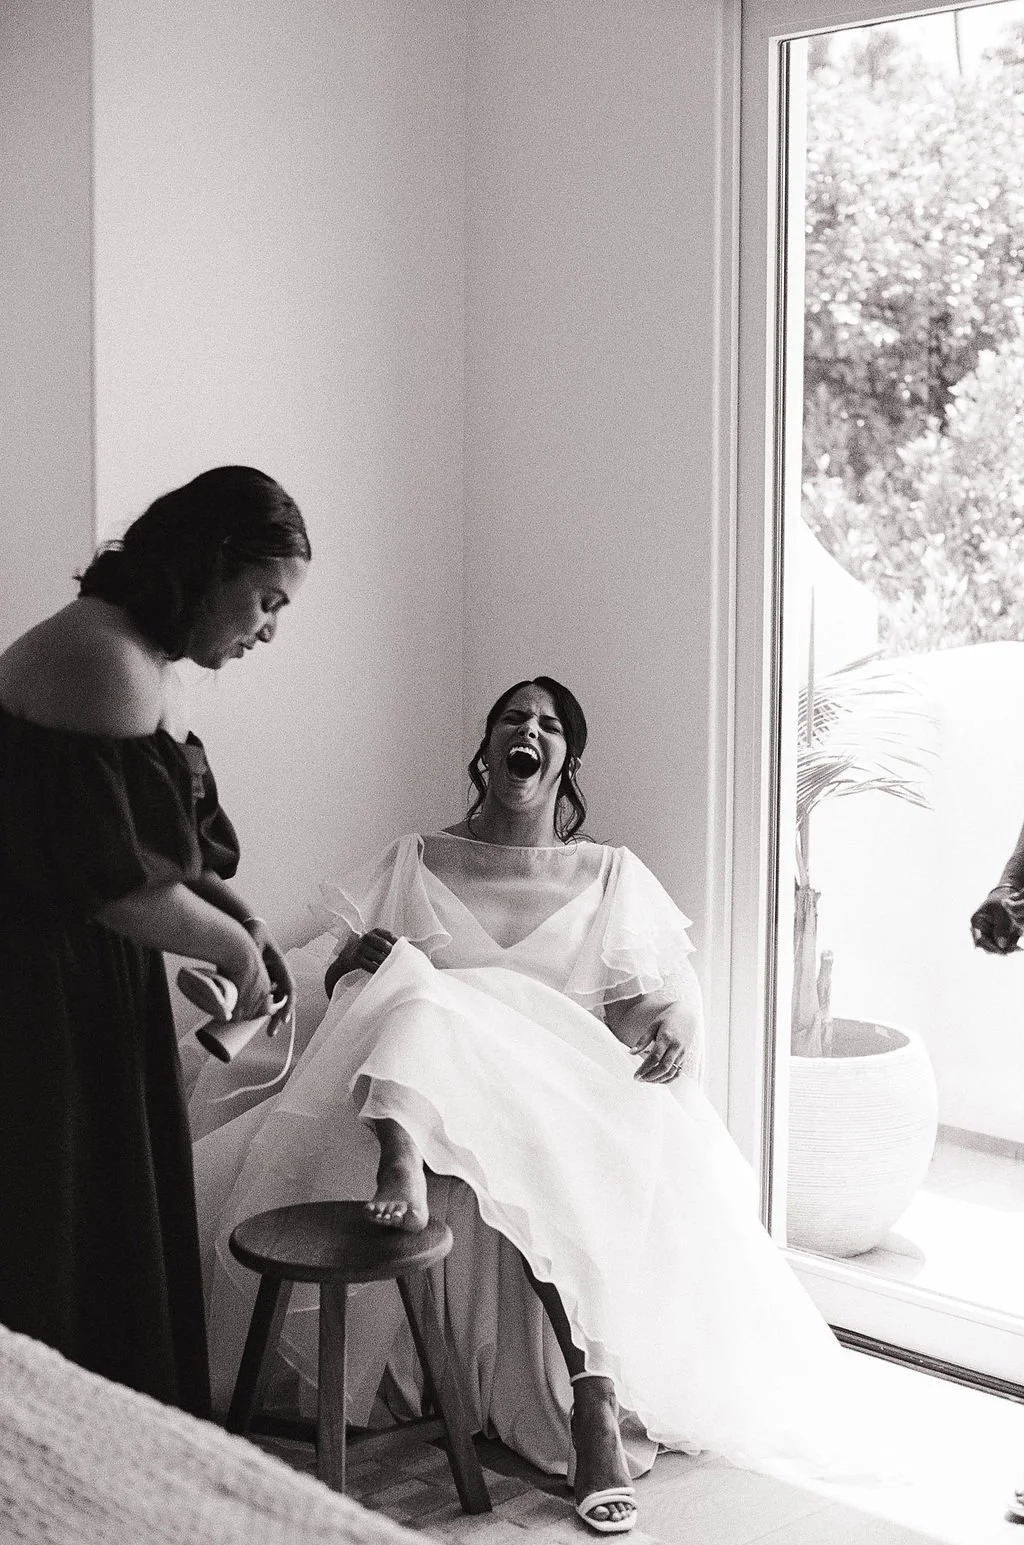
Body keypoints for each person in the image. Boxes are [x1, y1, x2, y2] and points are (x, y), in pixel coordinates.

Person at [194, 676, 889, 1536]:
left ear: (567, 761)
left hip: (559, 1089)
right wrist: (365, 964)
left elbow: (632, 1011)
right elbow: (324, 979)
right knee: (411, 987)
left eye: (550, 723)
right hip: (445, 1098)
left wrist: (676, 1012)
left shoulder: (608, 873)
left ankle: (589, 1393)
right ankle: (409, 1156)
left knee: (454, 1029)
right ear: (485, 750)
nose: (529, 729)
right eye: (512, 718)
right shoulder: (414, 858)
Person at [0, 465, 310, 1420]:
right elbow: (116, 885)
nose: (267, 628)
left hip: (82, 976)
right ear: (214, 562)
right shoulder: (109, 662)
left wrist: (241, 920)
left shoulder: (130, 652)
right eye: (265, 601)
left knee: (101, 1212)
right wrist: (235, 954)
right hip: (39, 982)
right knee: (67, 1221)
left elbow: (153, 849)